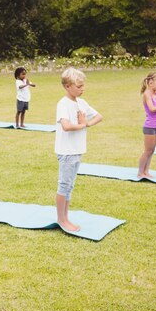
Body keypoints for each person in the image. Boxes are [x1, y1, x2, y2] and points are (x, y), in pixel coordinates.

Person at [55, 68, 102, 232]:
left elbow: (98, 116)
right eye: (79, 86)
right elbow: (66, 126)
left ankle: (65, 218)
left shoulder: (82, 103)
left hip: (77, 150)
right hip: (66, 152)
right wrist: (83, 124)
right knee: (64, 185)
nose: (83, 89)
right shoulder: (63, 104)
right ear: (68, 86)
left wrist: (86, 123)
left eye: (83, 86)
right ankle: (62, 219)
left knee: (70, 186)